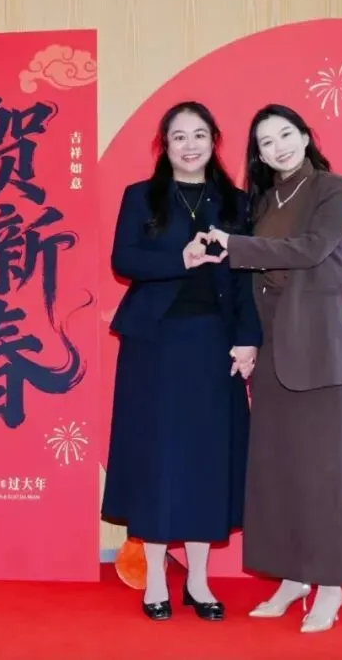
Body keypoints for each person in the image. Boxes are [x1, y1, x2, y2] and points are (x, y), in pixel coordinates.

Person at [205, 104, 342, 634]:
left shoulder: (332, 188)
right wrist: (247, 341)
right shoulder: (261, 199)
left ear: (305, 136)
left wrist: (234, 246)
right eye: (265, 142)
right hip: (273, 346)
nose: (277, 147)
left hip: (320, 346)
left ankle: (330, 584)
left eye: (285, 135)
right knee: (277, 469)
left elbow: (312, 249)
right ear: (257, 154)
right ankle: (293, 577)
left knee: (327, 472)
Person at [101, 100, 261, 622]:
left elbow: (247, 279)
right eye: (179, 137)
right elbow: (124, 260)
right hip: (154, 345)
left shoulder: (236, 202)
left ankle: (198, 580)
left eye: (199, 135)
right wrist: (181, 259)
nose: (190, 146)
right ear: (164, 145)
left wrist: (248, 339)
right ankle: (155, 579)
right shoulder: (142, 197)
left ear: (214, 140)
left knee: (207, 461)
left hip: (213, 343)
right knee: (157, 459)